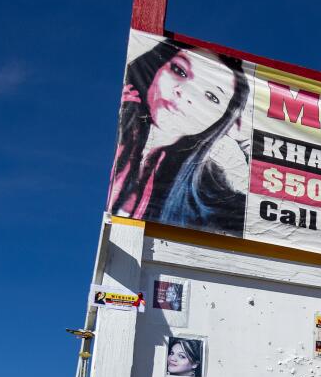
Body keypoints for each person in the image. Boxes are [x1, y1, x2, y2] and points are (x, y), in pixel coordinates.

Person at [107, 39, 251, 235]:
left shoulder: (211, 192)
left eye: (211, 97)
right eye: (180, 71)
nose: (185, 93)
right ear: (158, 67)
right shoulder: (114, 134)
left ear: (223, 118)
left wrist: (247, 147)